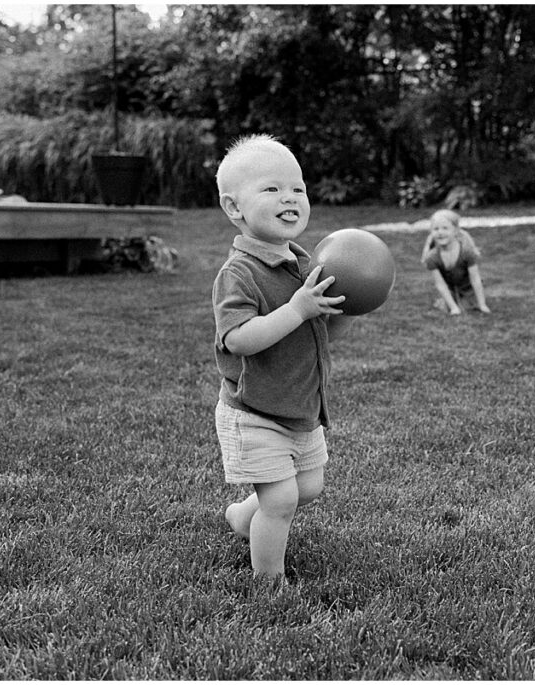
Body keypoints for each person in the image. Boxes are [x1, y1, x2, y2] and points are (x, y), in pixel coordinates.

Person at [211, 134, 353, 579]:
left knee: (309, 486)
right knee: (282, 500)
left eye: (298, 188)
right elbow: (237, 339)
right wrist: (296, 308)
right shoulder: (238, 273)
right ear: (235, 208)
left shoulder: (305, 263)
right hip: (254, 410)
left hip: (299, 407)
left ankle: (240, 516)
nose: (290, 197)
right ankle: (268, 583)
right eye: (272, 189)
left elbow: (320, 330)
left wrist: (347, 310)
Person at [421, 209, 491, 315]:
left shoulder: (467, 252)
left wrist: (482, 305)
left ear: (456, 230)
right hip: (449, 288)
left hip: (467, 287)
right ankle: (447, 301)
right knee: (448, 308)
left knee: (468, 308)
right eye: (436, 229)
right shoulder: (432, 257)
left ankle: (468, 300)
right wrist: (453, 308)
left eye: (445, 228)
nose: (440, 232)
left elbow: (476, 279)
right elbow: (440, 284)